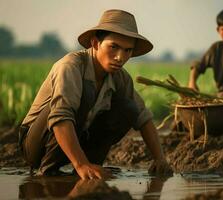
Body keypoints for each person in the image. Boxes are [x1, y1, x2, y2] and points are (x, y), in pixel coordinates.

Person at [19, 9, 172, 180]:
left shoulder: (120, 78)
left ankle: (91, 166)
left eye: (128, 51)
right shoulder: (71, 66)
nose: (120, 57)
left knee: (127, 108)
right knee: (84, 95)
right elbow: (60, 117)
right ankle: (50, 171)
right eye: (114, 47)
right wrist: (81, 164)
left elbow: (143, 118)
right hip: (36, 145)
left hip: (77, 136)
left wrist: (160, 158)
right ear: (96, 43)